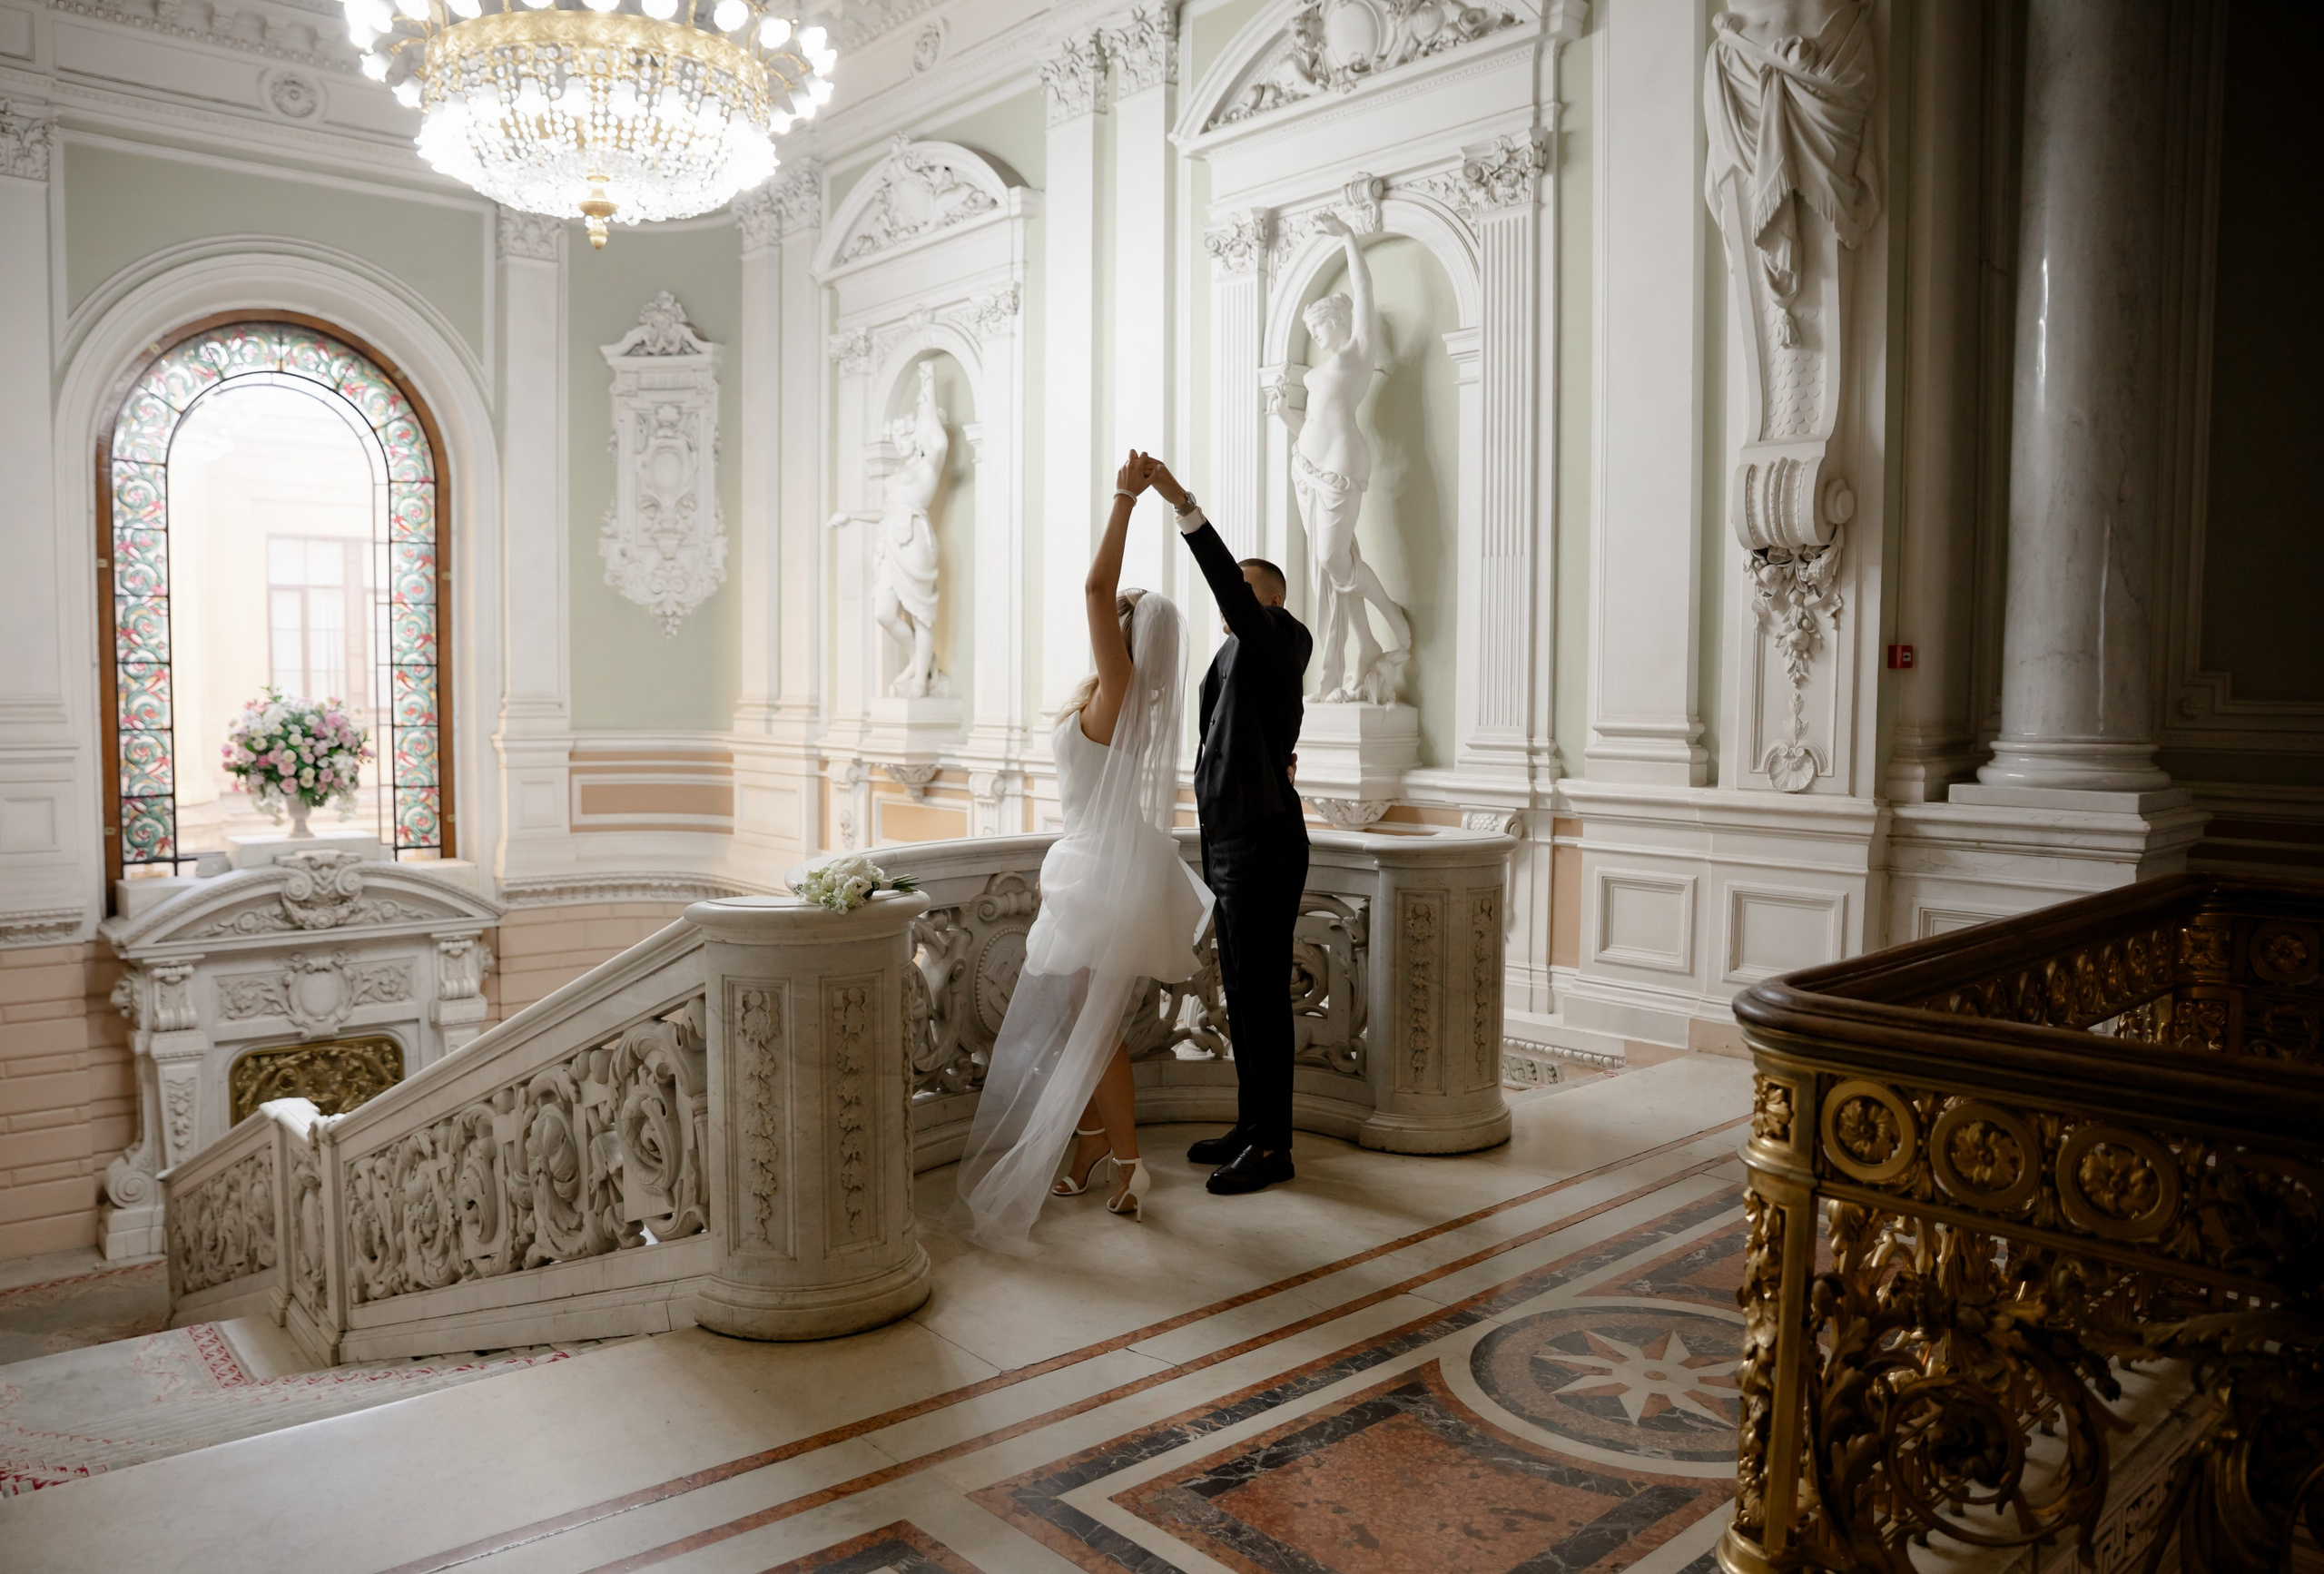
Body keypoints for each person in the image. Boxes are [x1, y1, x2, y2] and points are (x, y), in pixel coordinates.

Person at [950, 455, 1211, 1254]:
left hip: (1098, 870)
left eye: (1121, 617)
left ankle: (1130, 1162)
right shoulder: (1132, 703)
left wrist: (1125, 501)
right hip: (1113, 864)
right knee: (1081, 1026)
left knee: (1089, 1031)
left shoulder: (1118, 691)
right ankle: (1101, 1146)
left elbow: (1095, 590)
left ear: (1127, 642)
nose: (1110, 616)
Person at [1138, 453, 1313, 1195]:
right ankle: (1252, 1126)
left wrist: (1182, 503)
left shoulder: (1275, 633)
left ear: (1264, 597)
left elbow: (1230, 587)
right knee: (1242, 993)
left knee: (1264, 998)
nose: (1228, 605)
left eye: (1241, 593)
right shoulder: (1241, 653)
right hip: (1236, 843)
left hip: (1264, 846)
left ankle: (1274, 1146)